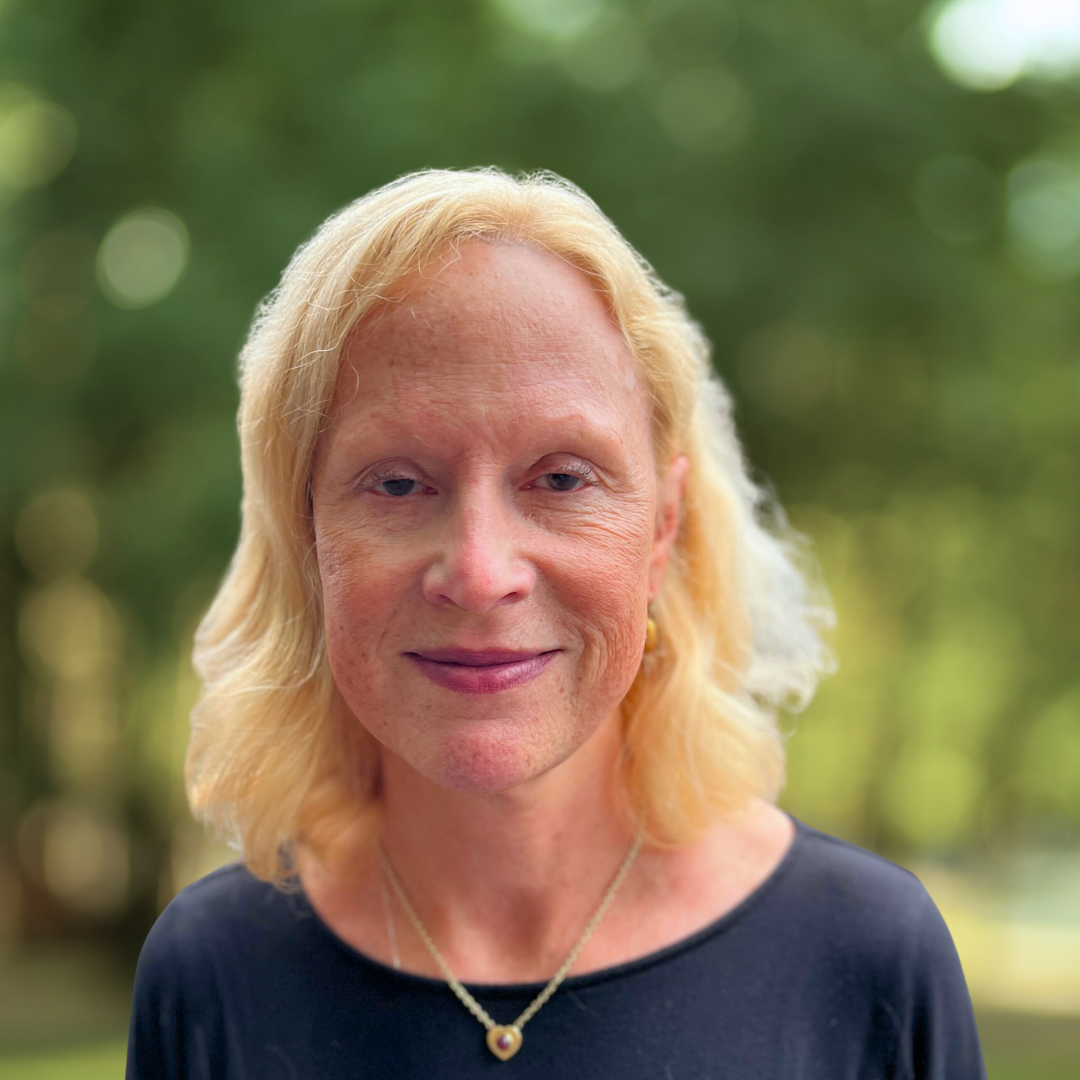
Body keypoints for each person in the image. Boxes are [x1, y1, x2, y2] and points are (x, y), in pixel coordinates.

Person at [126, 167, 986, 1079]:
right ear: (307, 533)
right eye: (397, 482)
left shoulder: (866, 962)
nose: (481, 572)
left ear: (663, 526)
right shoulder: (211, 976)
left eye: (562, 479)